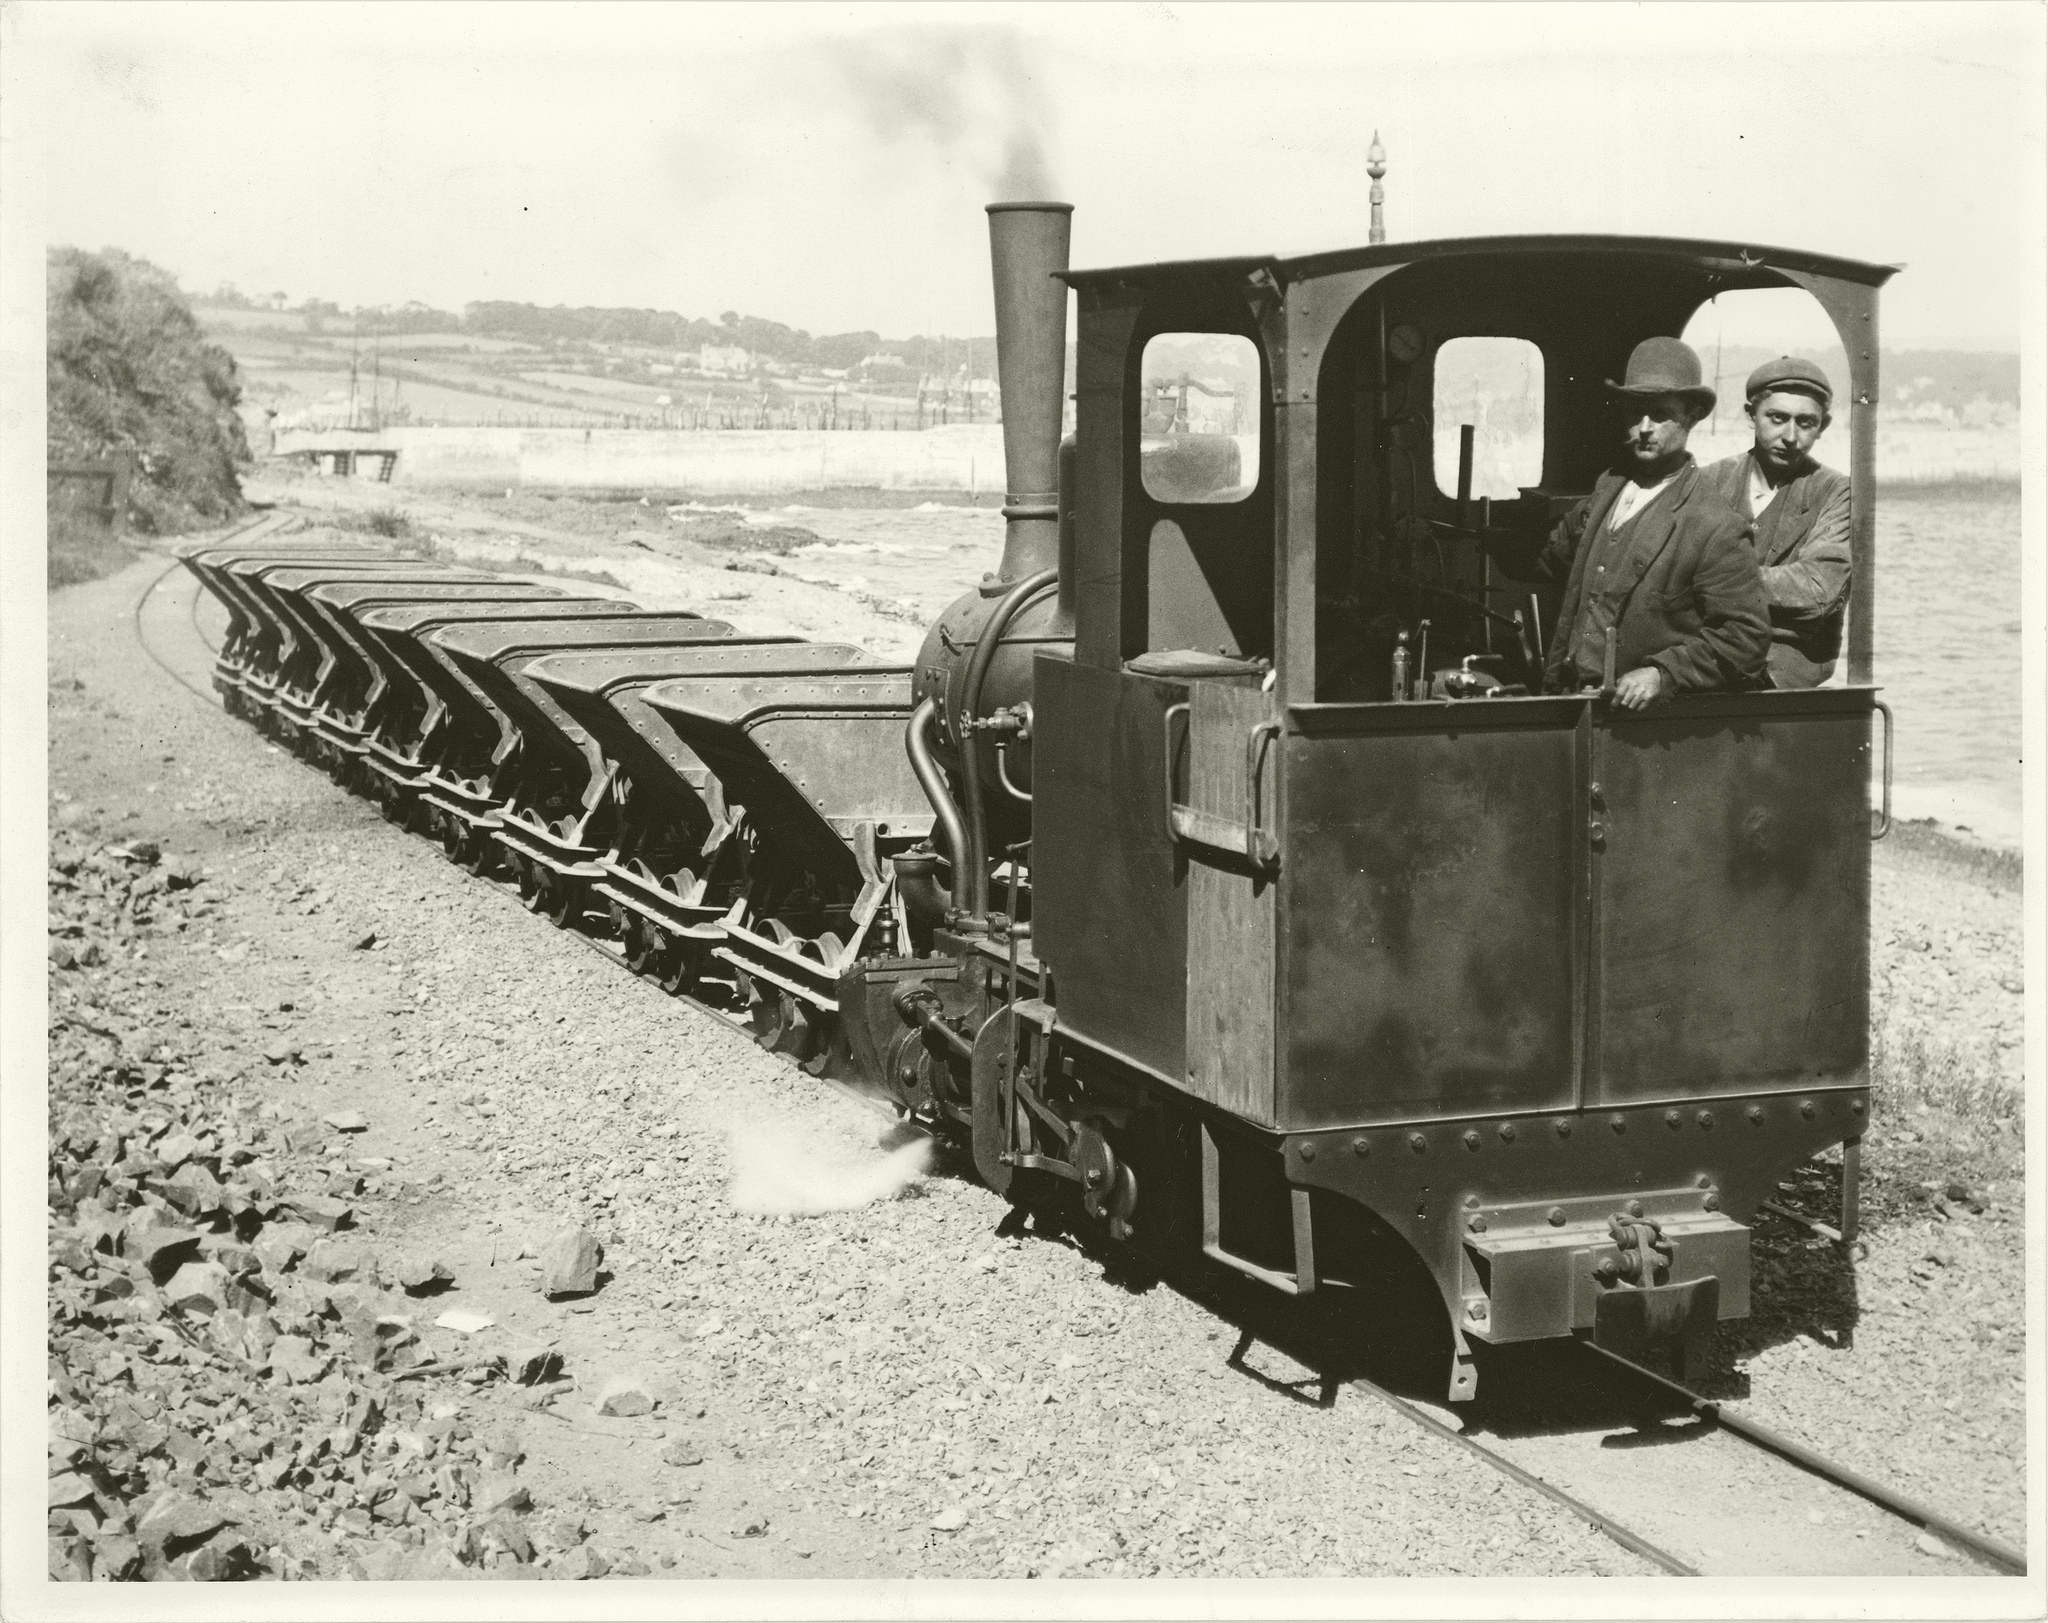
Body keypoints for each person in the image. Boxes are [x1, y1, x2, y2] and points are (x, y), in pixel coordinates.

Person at [1510, 337, 1770, 708]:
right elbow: (1554, 554)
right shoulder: (1608, 489)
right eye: (1635, 413)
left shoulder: (1715, 525)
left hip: (1639, 727)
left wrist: (1662, 674)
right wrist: (1489, 539)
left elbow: (1744, 639)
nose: (1645, 427)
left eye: (1661, 414)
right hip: (1570, 702)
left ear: (1692, 416)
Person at [1701, 357, 1852, 688]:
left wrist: (1717, 581)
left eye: (1806, 422)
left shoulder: (1834, 491)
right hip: (1707, 665)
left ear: (1823, 426)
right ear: (1750, 415)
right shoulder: (1709, 482)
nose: (1791, 436)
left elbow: (1819, 590)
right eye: (1778, 418)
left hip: (1785, 679)